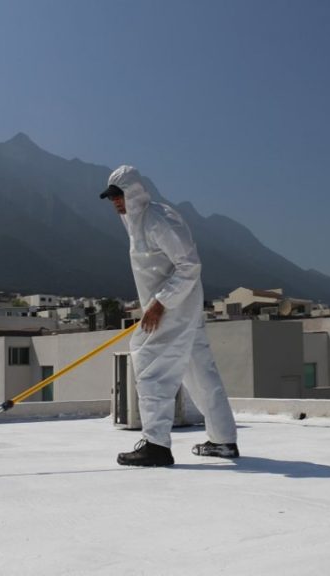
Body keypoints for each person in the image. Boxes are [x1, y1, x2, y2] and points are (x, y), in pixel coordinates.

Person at [100, 165, 239, 467]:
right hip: (178, 307)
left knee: (150, 366)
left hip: (173, 308)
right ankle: (223, 440)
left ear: (133, 193)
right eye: (111, 198)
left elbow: (189, 264)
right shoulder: (135, 221)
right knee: (199, 371)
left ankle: (156, 445)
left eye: (118, 196)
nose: (115, 202)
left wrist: (161, 303)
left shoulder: (158, 220)